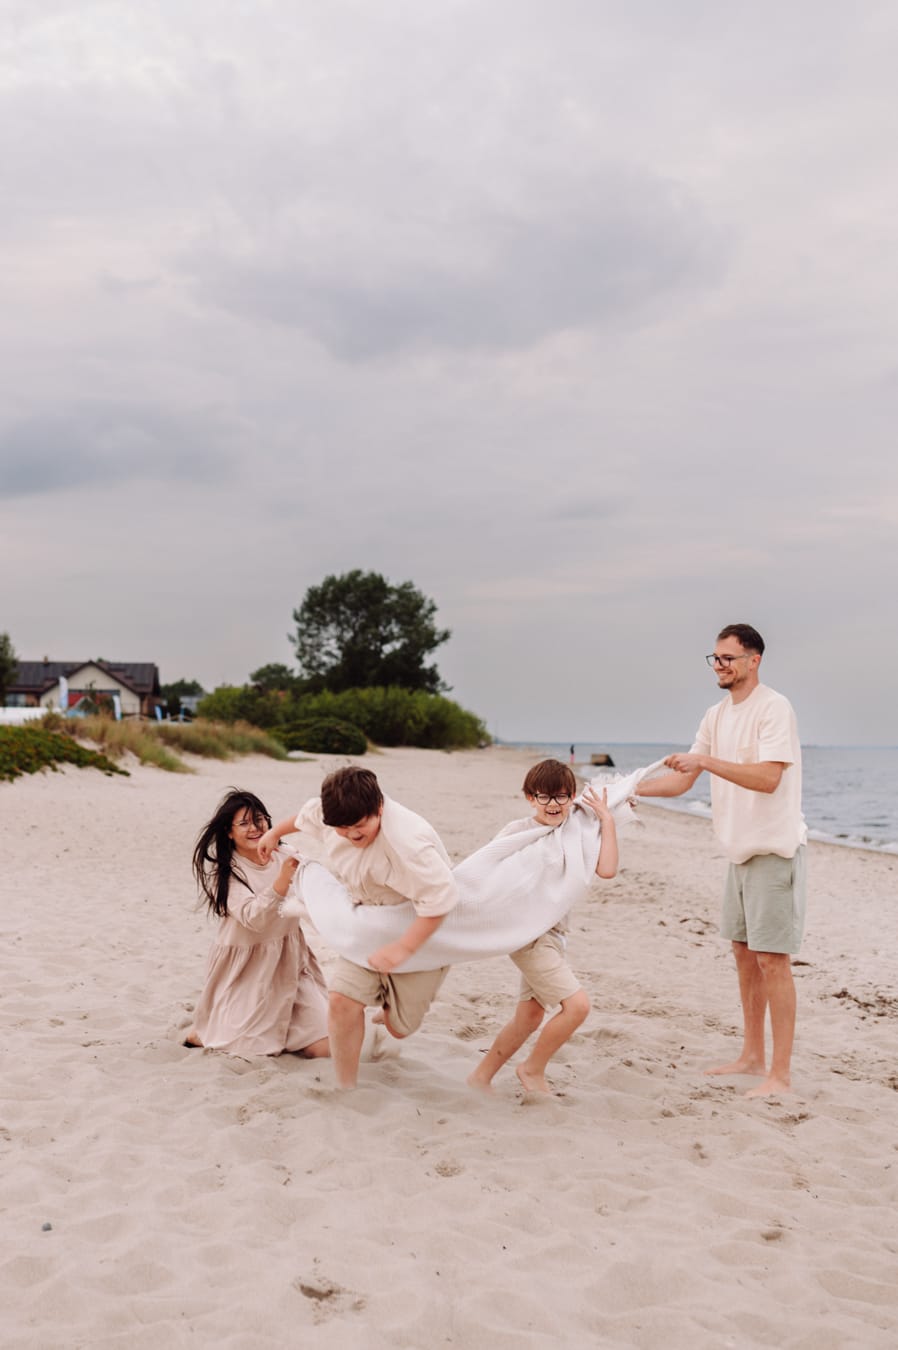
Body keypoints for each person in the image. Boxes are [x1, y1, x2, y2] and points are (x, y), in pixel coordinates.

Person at [636, 623, 806, 1098]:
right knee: (743, 955)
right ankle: (752, 1056)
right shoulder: (714, 715)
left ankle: (780, 1074)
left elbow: (769, 778)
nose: (720, 665)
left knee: (774, 960)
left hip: (774, 849)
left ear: (754, 661)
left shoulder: (774, 707)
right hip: (737, 851)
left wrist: (707, 763)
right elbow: (682, 779)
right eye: (714, 658)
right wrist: (629, 792)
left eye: (729, 658)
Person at [258, 767, 458, 1089]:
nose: (351, 835)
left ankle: (390, 1010)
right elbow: (302, 818)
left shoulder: (408, 844)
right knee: (341, 1000)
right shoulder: (332, 814)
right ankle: (346, 1088)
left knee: (399, 1029)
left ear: (379, 807)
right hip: (367, 923)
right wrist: (271, 834)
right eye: (342, 828)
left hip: (419, 931)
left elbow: (441, 902)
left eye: (359, 826)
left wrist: (402, 948)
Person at [467, 759, 619, 1095]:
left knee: (530, 1017)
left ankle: (480, 1077)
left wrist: (607, 819)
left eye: (562, 797)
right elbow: (483, 872)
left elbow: (607, 869)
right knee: (577, 1007)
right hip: (527, 937)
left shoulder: (576, 831)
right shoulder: (517, 832)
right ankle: (532, 1070)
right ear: (529, 798)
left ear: (573, 797)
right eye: (544, 797)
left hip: (555, 934)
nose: (553, 805)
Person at [185, 788, 330, 1058]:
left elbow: (316, 887)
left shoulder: (284, 853)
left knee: (325, 1047)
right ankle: (203, 1032)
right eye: (244, 823)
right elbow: (255, 918)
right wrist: (283, 879)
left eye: (260, 819)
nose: (255, 828)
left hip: (289, 960)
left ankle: (286, 1031)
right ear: (229, 832)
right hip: (248, 968)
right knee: (246, 1048)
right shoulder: (226, 874)